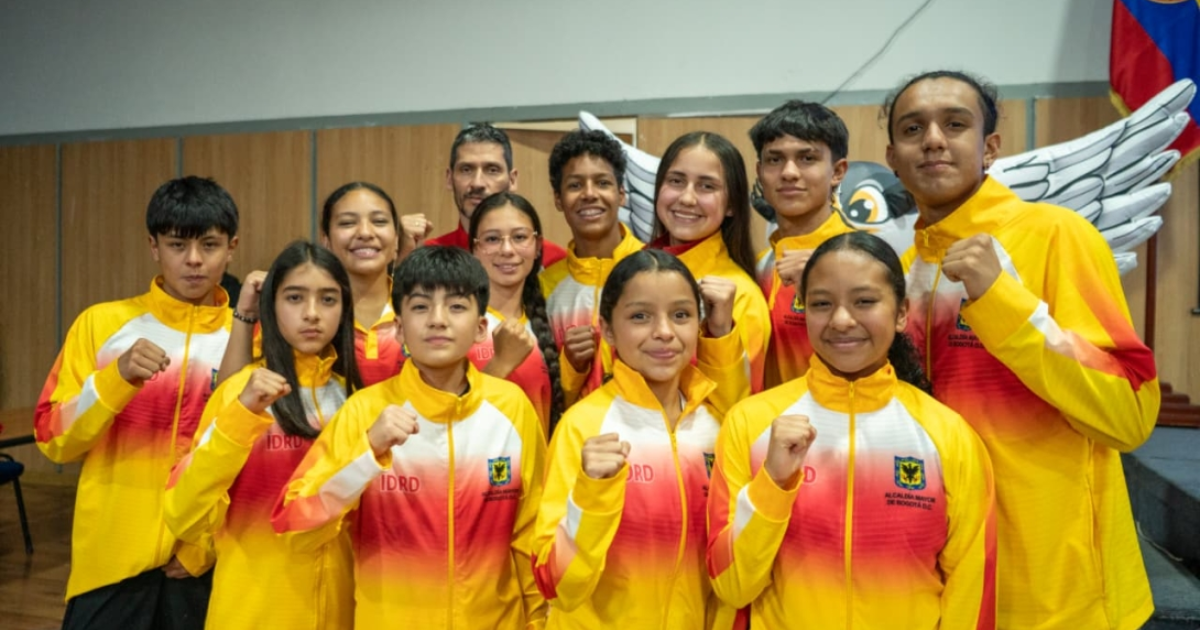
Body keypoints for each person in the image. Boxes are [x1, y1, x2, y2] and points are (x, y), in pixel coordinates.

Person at [883, 70, 1160, 629]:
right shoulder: (905, 271)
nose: (932, 140)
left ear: (990, 147)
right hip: (951, 575)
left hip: (1058, 588)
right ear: (891, 157)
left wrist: (1004, 304)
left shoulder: (1057, 234)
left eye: (954, 124)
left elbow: (1130, 414)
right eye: (913, 129)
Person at [707, 231, 996, 628]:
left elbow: (970, 591)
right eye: (822, 304)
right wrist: (772, 484)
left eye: (864, 302)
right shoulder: (752, 424)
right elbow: (731, 587)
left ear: (901, 313)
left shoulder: (949, 436)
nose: (841, 320)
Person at [271, 245, 548, 628]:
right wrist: (368, 450)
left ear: (481, 328)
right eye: (420, 307)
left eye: (456, 306)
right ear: (399, 328)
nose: (437, 320)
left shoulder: (512, 407)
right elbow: (296, 526)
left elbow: (531, 533)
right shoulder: (365, 412)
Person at [34, 176, 239, 630]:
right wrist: (114, 380)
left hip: (204, 562)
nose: (193, 259)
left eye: (209, 245)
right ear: (153, 246)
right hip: (111, 559)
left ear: (232, 248)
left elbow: (252, 460)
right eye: (177, 244)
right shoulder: (102, 325)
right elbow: (52, 439)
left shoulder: (248, 340)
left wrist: (204, 542)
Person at [532, 249, 747, 629]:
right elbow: (557, 586)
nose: (664, 331)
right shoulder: (584, 426)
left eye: (681, 315)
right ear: (607, 329)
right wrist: (591, 496)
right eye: (640, 316)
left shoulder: (715, 425)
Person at [163, 241, 361, 629]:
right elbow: (181, 511)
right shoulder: (240, 392)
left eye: (328, 299)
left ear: (344, 309)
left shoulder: (356, 400)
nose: (312, 313)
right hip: (252, 609)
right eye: (294, 297)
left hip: (341, 609)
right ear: (270, 306)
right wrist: (242, 416)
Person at [218, 182, 404, 386]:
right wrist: (245, 315)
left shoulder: (417, 308)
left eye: (379, 221)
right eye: (347, 223)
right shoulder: (293, 312)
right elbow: (228, 397)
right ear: (326, 240)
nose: (365, 233)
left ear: (396, 239)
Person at [648, 131, 771, 393]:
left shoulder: (741, 296)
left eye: (707, 186)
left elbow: (741, 405)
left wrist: (720, 335)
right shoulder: (636, 270)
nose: (687, 198)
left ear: (731, 205)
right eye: (676, 181)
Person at [749, 100, 856, 387]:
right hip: (767, 415)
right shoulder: (760, 264)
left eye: (807, 158)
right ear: (760, 172)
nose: (789, 172)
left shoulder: (863, 258)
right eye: (774, 160)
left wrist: (829, 279)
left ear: (837, 171)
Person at [541, 129, 644, 405]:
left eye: (602, 183)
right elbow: (539, 394)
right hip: (575, 429)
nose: (589, 194)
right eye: (575, 185)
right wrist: (570, 366)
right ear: (558, 199)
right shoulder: (545, 287)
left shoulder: (656, 270)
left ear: (621, 194)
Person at [467, 192, 564, 436]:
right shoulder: (456, 320)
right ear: (475, 248)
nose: (507, 250)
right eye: (492, 239)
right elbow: (446, 414)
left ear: (538, 245)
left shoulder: (551, 318)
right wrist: (500, 364)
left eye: (519, 237)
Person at [417, 123, 567, 267]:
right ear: (450, 179)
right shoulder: (426, 259)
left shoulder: (552, 261)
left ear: (512, 180)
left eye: (492, 170)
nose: (477, 183)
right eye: (466, 169)